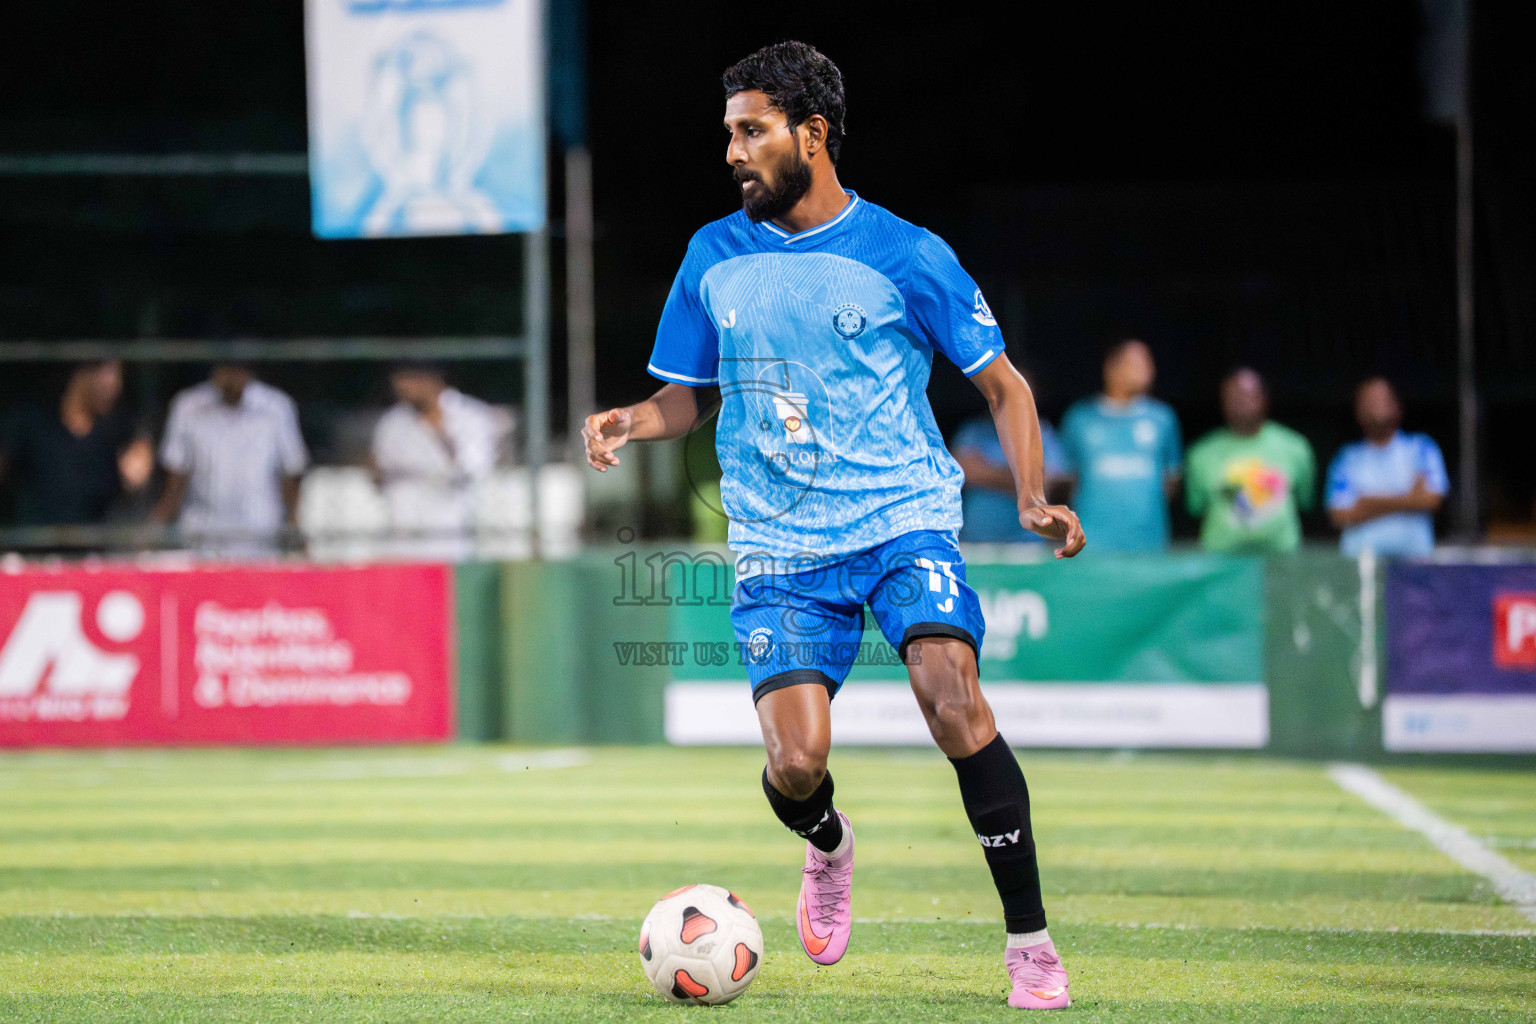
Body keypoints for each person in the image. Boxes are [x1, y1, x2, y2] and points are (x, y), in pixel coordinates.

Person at [580, 42, 1085, 1010]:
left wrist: (1028, 498)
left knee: (952, 692)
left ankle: (1030, 943)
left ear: (812, 135)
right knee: (796, 762)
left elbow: (1002, 383)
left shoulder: (906, 252)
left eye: (751, 131)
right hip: (780, 545)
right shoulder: (712, 257)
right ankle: (828, 846)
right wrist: (631, 421)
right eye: (729, 132)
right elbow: (686, 399)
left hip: (902, 519)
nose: (732, 151)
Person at [153, 363, 308, 557]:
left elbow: (291, 472)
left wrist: (294, 525)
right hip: (203, 539)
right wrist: (157, 526)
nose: (233, 377)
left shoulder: (277, 406)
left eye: (239, 369)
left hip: (260, 540)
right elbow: (176, 476)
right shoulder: (188, 405)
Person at [1058, 340, 1182, 553]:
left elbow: (1172, 480)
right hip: (1092, 545)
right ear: (1111, 368)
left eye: (1149, 363)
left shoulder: (1163, 418)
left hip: (1148, 543)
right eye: (1137, 363)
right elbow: (1066, 480)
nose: (1147, 371)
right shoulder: (1079, 419)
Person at [0, 359, 153, 528]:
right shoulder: (30, 420)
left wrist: (137, 463)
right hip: (35, 545)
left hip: (95, 548)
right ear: (82, 374)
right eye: (111, 373)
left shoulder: (118, 428)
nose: (117, 385)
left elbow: (138, 464)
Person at [371, 362, 501, 560]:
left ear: (430, 379)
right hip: (401, 538)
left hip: (451, 535)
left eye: (409, 378)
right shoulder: (392, 421)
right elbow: (380, 472)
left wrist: (437, 429)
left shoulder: (471, 415)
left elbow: (472, 469)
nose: (402, 386)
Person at [1185, 367, 1315, 553]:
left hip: (1281, 559)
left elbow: (1305, 503)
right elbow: (1195, 510)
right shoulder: (1200, 453)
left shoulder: (1296, 447)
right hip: (1221, 561)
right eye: (1233, 396)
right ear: (1222, 402)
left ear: (1264, 399)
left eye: (1248, 395)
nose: (1241, 401)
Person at [1326, 377, 1447, 558]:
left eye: (1383, 400)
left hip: (1414, 563)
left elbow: (1432, 500)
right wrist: (1409, 498)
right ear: (1357, 412)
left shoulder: (1421, 448)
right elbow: (1339, 515)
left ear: (1398, 407)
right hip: (1361, 564)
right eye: (1370, 402)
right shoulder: (1347, 458)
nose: (1377, 407)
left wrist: (1368, 502)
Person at [955, 411, 1069, 544]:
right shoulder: (973, 432)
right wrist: (1021, 479)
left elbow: (1048, 484)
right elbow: (962, 472)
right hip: (975, 545)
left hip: (1029, 545)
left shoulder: (1043, 433)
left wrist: (985, 473)